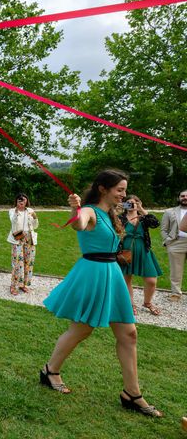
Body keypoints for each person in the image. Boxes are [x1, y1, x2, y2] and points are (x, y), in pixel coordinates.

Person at [41, 170, 162, 417]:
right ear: (102, 189)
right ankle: (50, 371)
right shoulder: (90, 211)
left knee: (129, 334)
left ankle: (132, 393)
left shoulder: (111, 214)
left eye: (124, 190)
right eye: (119, 189)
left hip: (112, 273)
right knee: (81, 329)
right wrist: (75, 209)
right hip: (93, 274)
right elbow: (79, 224)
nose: (123, 194)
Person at [118, 195, 162, 315]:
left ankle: (147, 302)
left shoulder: (143, 218)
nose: (131, 205)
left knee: (151, 280)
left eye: (134, 203)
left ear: (138, 203)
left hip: (143, 251)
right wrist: (118, 209)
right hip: (125, 252)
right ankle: (130, 304)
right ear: (124, 205)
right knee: (126, 279)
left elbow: (155, 223)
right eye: (128, 203)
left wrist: (141, 208)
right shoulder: (120, 217)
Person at [7, 193, 38, 295]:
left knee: (28, 263)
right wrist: (17, 210)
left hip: (29, 239)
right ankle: (13, 285)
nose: (21, 202)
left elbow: (36, 226)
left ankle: (23, 285)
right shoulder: (12, 211)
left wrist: (35, 217)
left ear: (27, 201)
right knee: (17, 263)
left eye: (23, 200)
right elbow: (13, 222)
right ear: (16, 201)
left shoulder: (30, 211)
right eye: (19, 200)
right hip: (18, 239)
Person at [160, 189, 187, 302]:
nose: (185, 197)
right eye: (182, 196)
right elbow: (163, 229)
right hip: (176, 243)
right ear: (178, 198)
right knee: (176, 269)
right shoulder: (169, 212)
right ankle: (176, 293)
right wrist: (168, 241)